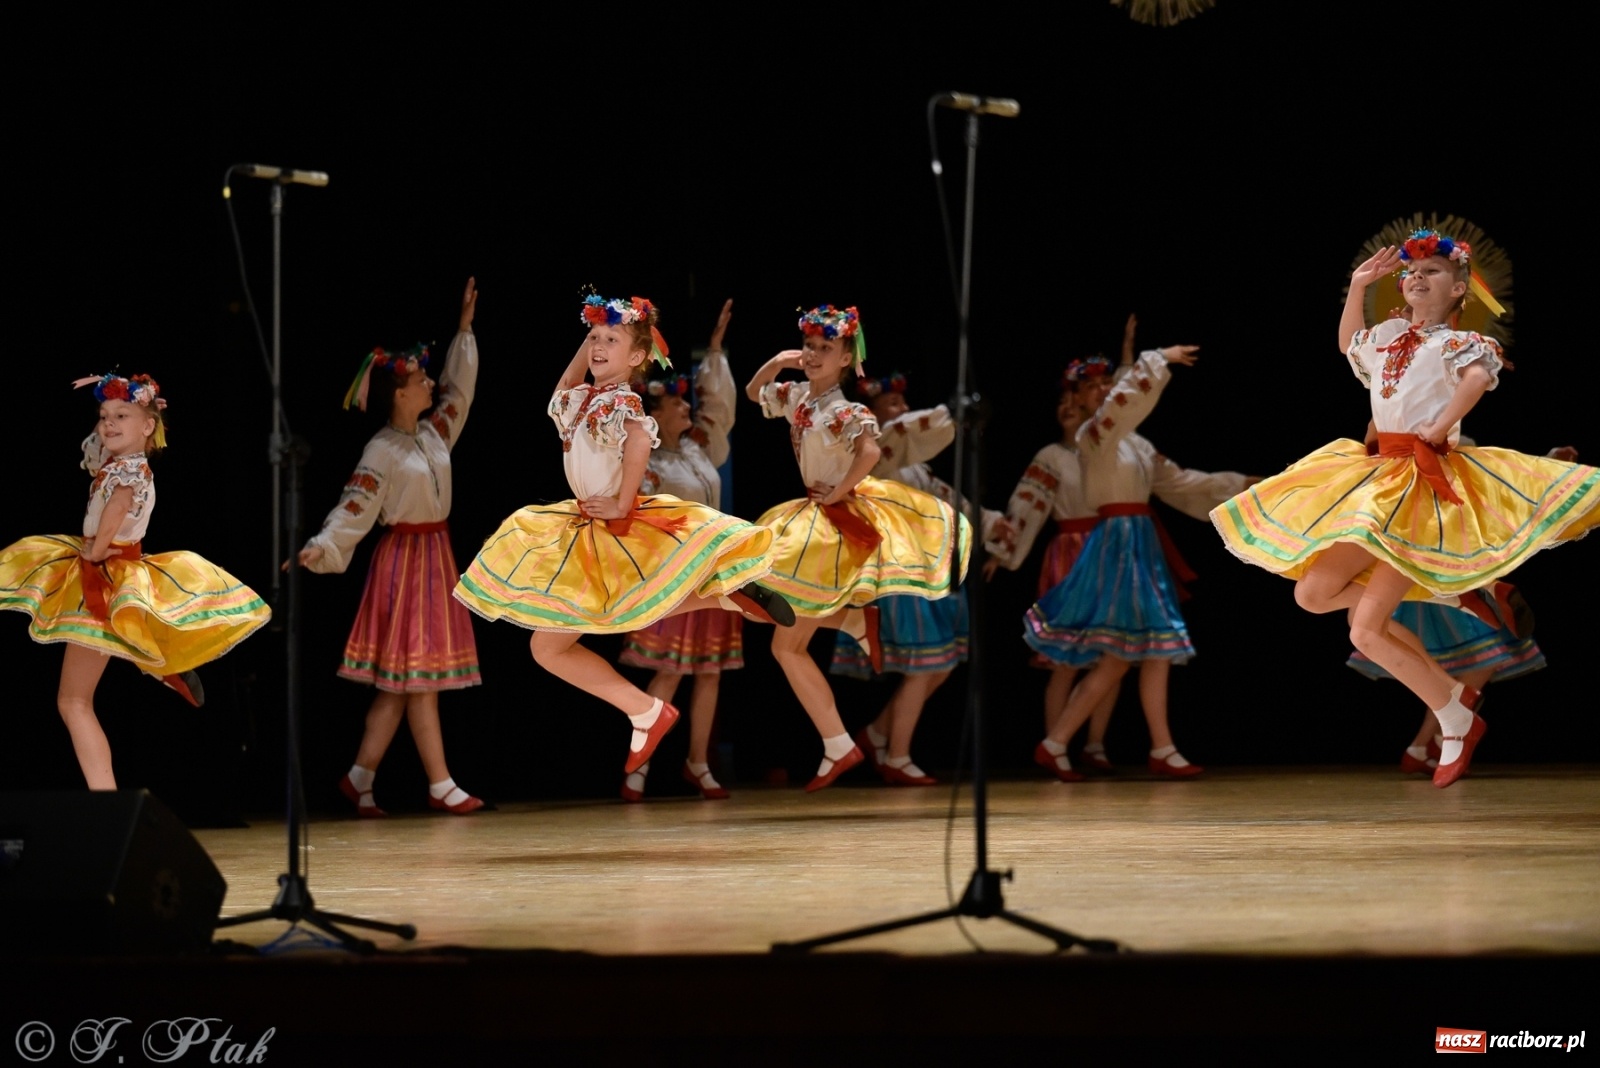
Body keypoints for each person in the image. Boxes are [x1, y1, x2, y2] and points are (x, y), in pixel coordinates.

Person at [1211, 229, 1600, 787]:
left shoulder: (1460, 344)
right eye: (1411, 272)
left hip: (1421, 485)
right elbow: (1349, 345)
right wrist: (1355, 287)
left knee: (1364, 630)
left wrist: (1439, 428)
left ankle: (1456, 717)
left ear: (1459, 288)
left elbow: (1474, 380)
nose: (1417, 278)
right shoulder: (1390, 337)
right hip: (1378, 476)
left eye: (1433, 272)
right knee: (1312, 593)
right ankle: (1453, 597)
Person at [454, 294, 790, 780]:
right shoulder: (580, 398)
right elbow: (566, 382)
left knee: (560, 641)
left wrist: (622, 502)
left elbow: (636, 442)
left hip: (611, 522)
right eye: (594, 338)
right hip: (589, 522)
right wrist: (593, 333)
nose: (597, 346)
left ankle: (648, 708)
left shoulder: (622, 399)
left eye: (612, 341)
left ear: (637, 357)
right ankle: (686, 650)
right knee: (600, 620)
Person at [0, 372, 271, 788]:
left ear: (147, 425)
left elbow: (118, 507)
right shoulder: (119, 463)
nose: (108, 423)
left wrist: (95, 549)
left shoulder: (129, 472)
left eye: (121, 415)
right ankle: (152, 662)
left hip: (107, 569)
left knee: (73, 701)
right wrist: (114, 395)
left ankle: (106, 798)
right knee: (76, 696)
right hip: (109, 567)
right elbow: (102, 450)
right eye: (103, 415)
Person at [746, 305, 970, 791]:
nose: (813, 355)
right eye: (809, 346)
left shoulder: (848, 410)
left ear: (847, 357)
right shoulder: (798, 396)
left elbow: (870, 452)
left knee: (784, 641)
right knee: (770, 616)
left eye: (825, 349)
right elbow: (752, 392)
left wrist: (843, 490)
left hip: (829, 524)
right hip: (810, 517)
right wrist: (780, 360)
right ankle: (846, 636)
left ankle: (838, 743)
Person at [294, 278, 486, 817]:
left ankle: (360, 776)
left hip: (436, 557)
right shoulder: (381, 449)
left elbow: (460, 391)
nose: (430, 385)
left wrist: (464, 331)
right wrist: (320, 547)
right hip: (405, 565)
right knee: (418, 680)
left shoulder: (433, 433)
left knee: (403, 685)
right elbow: (354, 506)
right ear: (399, 393)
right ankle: (440, 784)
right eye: (421, 379)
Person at [1029, 323, 1253, 782]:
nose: (1102, 392)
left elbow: (1184, 483)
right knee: (1120, 652)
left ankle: (1161, 746)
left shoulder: (1137, 445)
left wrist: (1244, 489)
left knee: (1155, 650)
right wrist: (1155, 358)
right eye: (1092, 387)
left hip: (1138, 541)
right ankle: (1056, 743)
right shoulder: (1095, 434)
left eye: (1104, 384)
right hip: (1115, 543)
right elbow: (1123, 405)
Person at [830, 372, 1007, 785]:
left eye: (903, 403)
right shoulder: (876, 455)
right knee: (923, 666)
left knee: (939, 666)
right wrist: (951, 413)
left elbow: (953, 502)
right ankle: (898, 755)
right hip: (897, 569)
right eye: (894, 403)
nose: (903, 410)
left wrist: (995, 527)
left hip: (923, 569)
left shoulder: (917, 470)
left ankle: (877, 736)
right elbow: (899, 432)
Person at [986, 323, 1148, 769]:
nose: (1067, 409)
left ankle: (1093, 744)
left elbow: (1123, 402)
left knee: (1111, 653)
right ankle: (1055, 747)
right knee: (1066, 660)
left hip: (1107, 550)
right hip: (1069, 558)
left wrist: (1129, 356)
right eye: (1063, 402)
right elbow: (1026, 505)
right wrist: (1001, 551)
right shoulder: (1053, 456)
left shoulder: (1110, 445)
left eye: (1073, 401)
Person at [618, 299, 743, 801]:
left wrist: (714, 352)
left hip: (712, 568)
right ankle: (638, 767)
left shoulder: (698, 447)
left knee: (708, 671)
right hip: (673, 571)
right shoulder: (646, 461)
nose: (687, 408)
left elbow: (720, 409)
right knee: (670, 670)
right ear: (655, 411)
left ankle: (698, 763)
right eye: (677, 403)